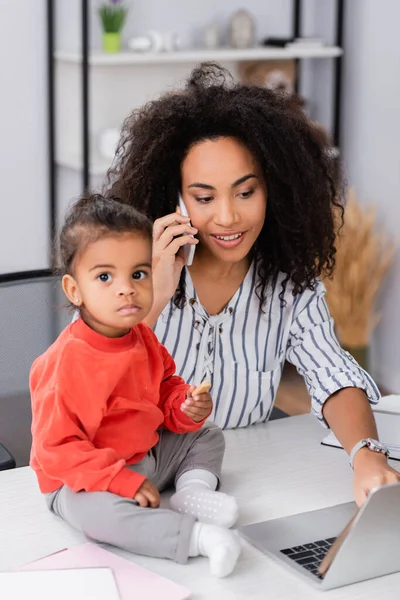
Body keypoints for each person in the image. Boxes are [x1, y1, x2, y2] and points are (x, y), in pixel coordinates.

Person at [107, 63, 400, 507]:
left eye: (246, 192)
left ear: (275, 190)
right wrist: (156, 293)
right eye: (204, 198)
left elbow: (332, 373)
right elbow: (92, 384)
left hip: (242, 484)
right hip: (134, 485)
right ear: (176, 199)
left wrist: (366, 454)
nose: (228, 217)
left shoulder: (289, 289)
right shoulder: (126, 278)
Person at [29, 194, 241, 577]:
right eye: (105, 277)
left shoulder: (142, 337)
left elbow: (164, 390)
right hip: (83, 479)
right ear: (74, 289)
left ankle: (192, 494)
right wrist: (117, 479)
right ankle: (197, 538)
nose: (126, 288)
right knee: (97, 518)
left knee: (207, 435)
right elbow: (56, 450)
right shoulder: (65, 363)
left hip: (145, 460)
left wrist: (184, 405)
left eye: (138, 274)